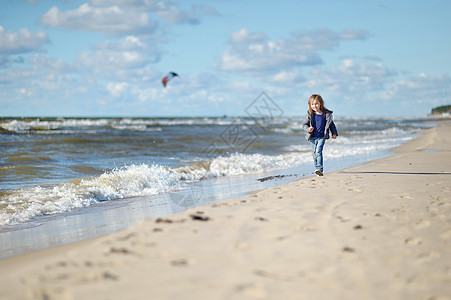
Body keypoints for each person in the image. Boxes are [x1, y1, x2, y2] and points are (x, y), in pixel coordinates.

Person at [302, 94, 338, 176]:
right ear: (309, 105)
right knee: (314, 154)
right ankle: (317, 169)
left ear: (321, 103)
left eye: (316, 104)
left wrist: (334, 133)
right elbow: (304, 125)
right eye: (312, 104)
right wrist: (308, 129)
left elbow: (331, 125)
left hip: (321, 137)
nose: (314, 106)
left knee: (318, 152)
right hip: (312, 137)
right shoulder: (310, 115)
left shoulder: (326, 115)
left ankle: (320, 169)